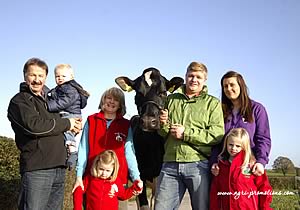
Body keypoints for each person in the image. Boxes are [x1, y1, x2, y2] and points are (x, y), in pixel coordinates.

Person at [7, 57, 82, 210]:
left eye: (41, 76)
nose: (37, 80)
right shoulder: (20, 101)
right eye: (32, 75)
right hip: (38, 169)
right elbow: (35, 126)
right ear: (24, 76)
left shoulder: (51, 101)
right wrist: (68, 123)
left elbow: (63, 123)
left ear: (46, 77)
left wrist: (75, 125)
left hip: (59, 168)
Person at [155, 61, 224, 210]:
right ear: (185, 77)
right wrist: (163, 123)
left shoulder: (212, 103)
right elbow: (163, 133)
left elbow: (217, 134)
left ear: (204, 80)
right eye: (191, 76)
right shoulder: (171, 99)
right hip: (170, 164)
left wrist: (186, 133)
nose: (194, 80)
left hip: (198, 165)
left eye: (198, 77)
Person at [72, 87, 143, 210]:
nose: (111, 102)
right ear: (103, 100)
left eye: (116, 100)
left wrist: (136, 177)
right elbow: (83, 149)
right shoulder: (91, 120)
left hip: (118, 182)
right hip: (93, 179)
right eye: (108, 98)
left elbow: (130, 153)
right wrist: (79, 176)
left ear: (121, 105)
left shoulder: (125, 125)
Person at [211, 70, 271, 177]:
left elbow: (263, 138)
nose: (228, 89)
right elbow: (215, 140)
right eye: (225, 86)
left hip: (248, 166)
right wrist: (214, 162)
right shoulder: (219, 111)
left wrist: (261, 161)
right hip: (223, 167)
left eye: (232, 85)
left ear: (241, 85)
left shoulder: (257, 109)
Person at [210, 128, 273, 210]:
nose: (233, 148)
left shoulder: (252, 165)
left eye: (238, 146)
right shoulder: (221, 166)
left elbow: (264, 188)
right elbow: (215, 192)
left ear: (244, 146)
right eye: (230, 145)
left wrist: (265, 208)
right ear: (226, 144)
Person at [47, 64, 89, 170]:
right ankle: (68, 154)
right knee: (64, 136)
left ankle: (73, 152)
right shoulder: (62, 88)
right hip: (69, 113)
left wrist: (48, 105)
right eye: (57, 76)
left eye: (63, 76)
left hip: (70, 114)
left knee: (68, 133)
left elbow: (65, 102)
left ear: (71, 77)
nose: (60, 78)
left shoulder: (69, 88)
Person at [73, 150, 143, 210]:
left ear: (113, 169)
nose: (104, 173)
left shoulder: (116, 181)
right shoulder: (90, 179)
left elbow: (123, 195)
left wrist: (136, 187)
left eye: (108, 170)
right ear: (96, 165)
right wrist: (77, 207)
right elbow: (78, 190)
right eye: (101, 169)